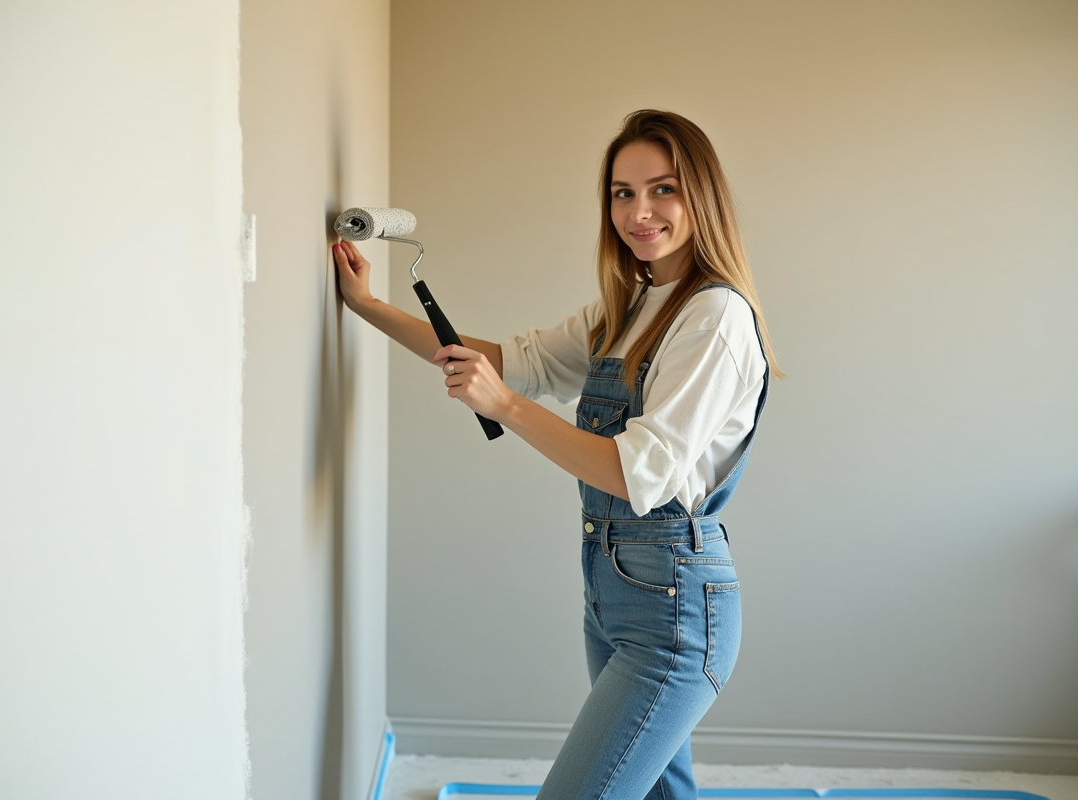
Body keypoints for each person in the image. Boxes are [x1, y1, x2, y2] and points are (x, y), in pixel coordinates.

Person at [333, 109, 779, 800]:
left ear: (702, 196)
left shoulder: (712, 317)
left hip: (673, 605)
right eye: (622, 193)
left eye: (663, 189)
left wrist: (503, 408)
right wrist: (366, 305)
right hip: (613, 589)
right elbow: (511, 362)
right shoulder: (632, 304)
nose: (640, 211)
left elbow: (638, 476)